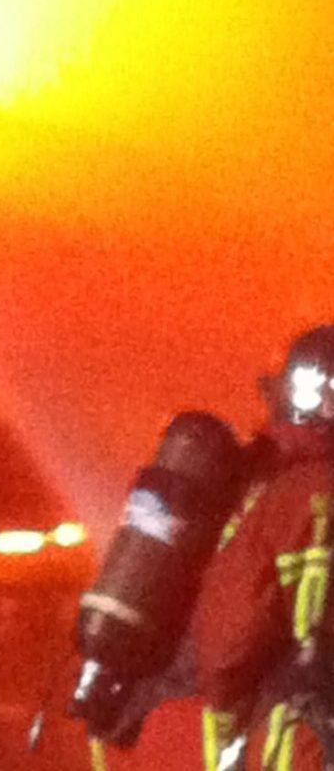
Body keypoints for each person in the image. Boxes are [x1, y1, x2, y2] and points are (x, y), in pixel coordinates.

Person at [190, 325, 334, 771]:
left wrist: (228, 721)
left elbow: (227, 642)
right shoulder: (302, 492)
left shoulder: (268, 491)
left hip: (295, 736)